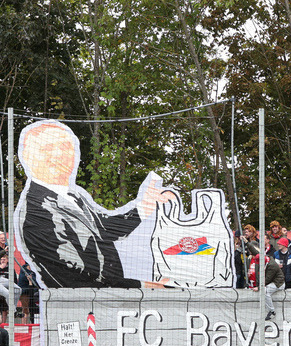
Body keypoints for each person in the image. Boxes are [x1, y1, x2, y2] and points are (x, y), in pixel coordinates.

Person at [15, 120, 174, 288]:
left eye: (65, 147)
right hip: (81, 301)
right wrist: (143, 286)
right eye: (47, 148)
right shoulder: (36, 212)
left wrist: (144, 207)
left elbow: (105, 228)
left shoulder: (72, 196)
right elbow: (74, 276)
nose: (58, 154)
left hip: (103, 297)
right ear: (28, 157)